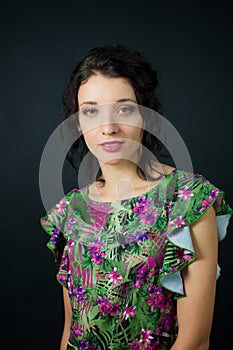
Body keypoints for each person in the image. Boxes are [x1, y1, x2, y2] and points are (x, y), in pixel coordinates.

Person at [40, 44, 232, 350]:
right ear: (78, 123)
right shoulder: (71, 211)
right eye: (91, 111)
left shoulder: (187, 200)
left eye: (125, 108)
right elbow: (72, 328)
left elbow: (195, 340)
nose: (108, 127)